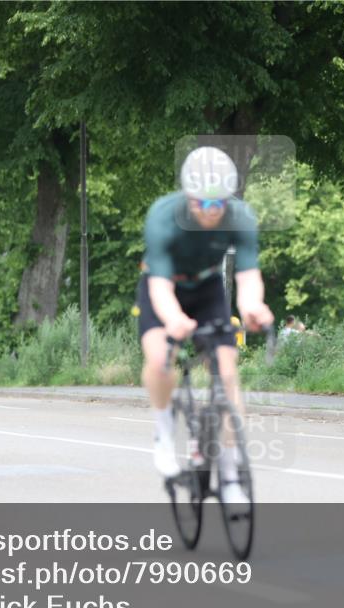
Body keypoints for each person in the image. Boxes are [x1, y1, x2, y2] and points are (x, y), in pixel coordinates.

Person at [136, 146, 274, 505]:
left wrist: (253, 306)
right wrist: (174, 320)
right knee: (160, 359)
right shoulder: (163, 217)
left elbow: (248, 275)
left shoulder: (240, 217)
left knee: (227, 376)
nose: (212, 210)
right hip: (163, 287)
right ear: (188, 196)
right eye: (203, 203)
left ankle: (229, 478)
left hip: (207, 288)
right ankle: (164, 433)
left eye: (219, 203)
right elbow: (160, 288)